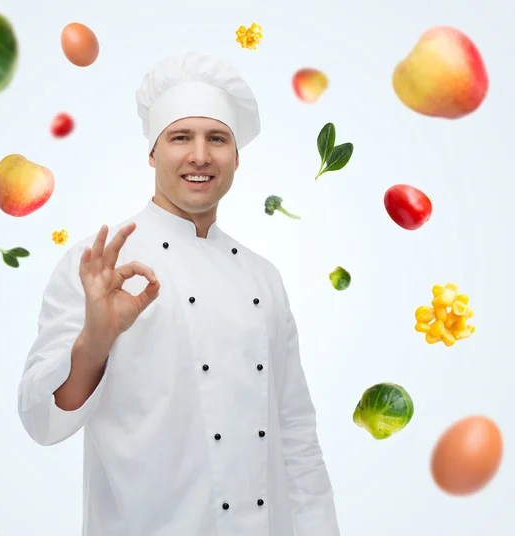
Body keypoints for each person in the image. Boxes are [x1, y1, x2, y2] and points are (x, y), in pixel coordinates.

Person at [17, 50, 340, 536]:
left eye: (217, 139)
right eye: (180, 137)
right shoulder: (99, 264)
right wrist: (95, 342)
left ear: (236, 157)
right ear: (152, 153)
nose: (200, 156)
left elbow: (295, 433)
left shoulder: (263, 276)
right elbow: (43, 421)